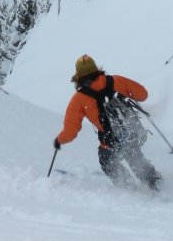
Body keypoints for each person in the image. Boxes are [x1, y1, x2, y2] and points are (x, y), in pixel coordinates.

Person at [53, 54, 162, 189]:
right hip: (132, 131)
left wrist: (59, 140)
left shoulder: (79, 99)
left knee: (107, 160)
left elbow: (71, 130)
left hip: (111, 140)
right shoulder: (116, 81)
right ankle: (154, 181)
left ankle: (128, 188)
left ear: (78, 76)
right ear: (96, 68)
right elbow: (143, 95)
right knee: (133, 155)